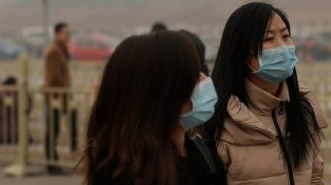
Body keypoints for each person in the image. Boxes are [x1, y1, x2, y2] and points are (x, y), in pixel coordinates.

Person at [204, 2, 327, 184]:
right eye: (269, 39)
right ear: (242, 52)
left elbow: (315, 176)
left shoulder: (303, 108)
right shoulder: (220, 119)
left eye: (286, 36)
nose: (283, 46)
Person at [84, 30, 226, 185]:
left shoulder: (206, 157)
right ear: (163, 93)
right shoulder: (121, 175)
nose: (205, 79)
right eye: (193, 74)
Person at [44, 22, 76, 174]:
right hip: (55, 99)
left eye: (69, 33)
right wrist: (60, 96)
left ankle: (53, 161)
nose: (68, 36)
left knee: (55, 129)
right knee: (53, 130)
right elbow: (53, 77)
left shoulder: (62, 50)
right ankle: (51, 163)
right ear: (57, 34)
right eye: (65, 32)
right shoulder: (54, 52)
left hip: (61, 98)